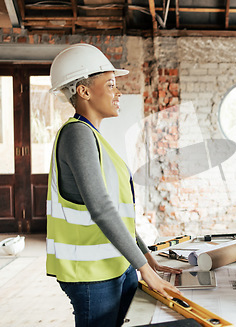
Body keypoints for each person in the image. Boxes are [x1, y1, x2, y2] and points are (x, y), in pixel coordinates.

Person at [45, 43, 181, 327]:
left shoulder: (94, 137)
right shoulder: (77, 135)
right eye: (110, 84)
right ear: (83, 91)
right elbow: (102, 209)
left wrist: (143, 255)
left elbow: (119, 212)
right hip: (92, 274)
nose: (118, 92)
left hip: (118, 263)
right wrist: (146, 270)